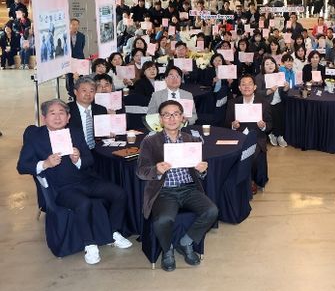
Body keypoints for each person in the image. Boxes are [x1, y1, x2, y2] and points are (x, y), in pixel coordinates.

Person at [17, 99, 132, 265]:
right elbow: (22, 166)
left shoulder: (75, 133)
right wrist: (45, 163)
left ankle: (113, 232)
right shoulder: (35, 137)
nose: (57, 117)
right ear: (44, 118)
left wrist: (78, 159)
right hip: (61, 188)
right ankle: (89, 244)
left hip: (85, 180)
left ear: (68, 117)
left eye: (62, 113)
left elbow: (89, 160)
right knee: (83, 203)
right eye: (52, 113)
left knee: (119, 193)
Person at [136, 100, 218, 272]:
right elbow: (141, 171)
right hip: (164, 191)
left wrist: (202, 170)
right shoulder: (150, 142)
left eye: (176, 114)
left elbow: (199, 171)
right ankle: (168, 250)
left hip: (189, 189)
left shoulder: (191, 140)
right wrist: (156, 170)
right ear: (160, 119)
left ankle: (186, 242)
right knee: (163, 220)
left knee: (212, 211)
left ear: (182, 118)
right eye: (167, 115)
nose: (172, 118)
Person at [226, 75, 273, 193]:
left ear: (255, 87)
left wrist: (263, 126)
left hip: (256, 136)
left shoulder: (264, 103)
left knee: (252, 153)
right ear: (239, 88)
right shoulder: (232, 103)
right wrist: (233, 125)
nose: (246, 87)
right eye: (243, 84)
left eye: (250, 84)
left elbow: (270, 125)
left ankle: (251, 181)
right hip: (237, 137)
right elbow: (226, 123)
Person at [255, 56, 289, 147]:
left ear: (275, 65)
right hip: (267, 103)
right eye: (267, 64)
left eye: (272, 63)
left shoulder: (279, 75)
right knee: (274, 110)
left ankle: (278, 135)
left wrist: (286, 88)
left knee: (282, 110)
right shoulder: (259, 77)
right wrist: (269, 91)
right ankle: (275, 134)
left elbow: (283, 92)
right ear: (263, 66)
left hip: (279, 101)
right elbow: (257, 92)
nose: (270, 65)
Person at [67, 77, 108, 149]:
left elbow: (104, 134)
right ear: (75, 92)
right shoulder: (67, 110)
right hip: (76, 150)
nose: (88, 94)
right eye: (84, 90)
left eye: (91, 91)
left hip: (98, 150)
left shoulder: (101, 110)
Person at [67, 18, 86, 97]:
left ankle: (79, 92)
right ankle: (71, 93)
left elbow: (82, 47)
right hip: (70, 60)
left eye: (77, 25)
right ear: (70, 25)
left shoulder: (82, 36)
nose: (75, 26)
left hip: (79, 59)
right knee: (70, 77)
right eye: (73, 24)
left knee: (80, 77)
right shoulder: (66, 35)